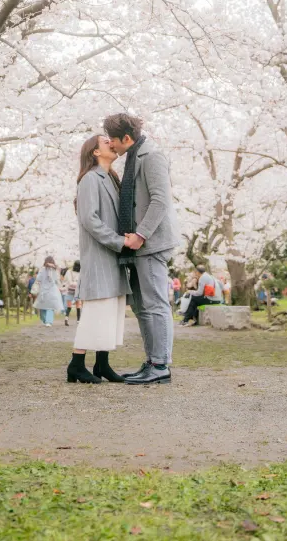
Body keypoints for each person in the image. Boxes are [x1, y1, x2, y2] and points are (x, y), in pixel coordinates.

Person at [103, 113, 180, 385]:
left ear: (127, 138)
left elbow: (160, 200)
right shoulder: (133, 158)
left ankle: (161, 365)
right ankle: (152, 361)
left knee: (156, 303)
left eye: (113, 140)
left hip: (150, 243)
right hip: (135, 247)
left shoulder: (152, 157)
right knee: (142, 307)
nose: (110, 145)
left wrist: (140, 234)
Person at [67, 135, 131, 384]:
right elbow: (90, 219)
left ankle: (102, 364)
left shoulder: (112, 179)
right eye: (106, 142)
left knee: (111, 309)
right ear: (95, 152)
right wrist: (120, 241)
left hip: (113, 254)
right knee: (97, 309)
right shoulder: (90, 180)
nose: (112, 144)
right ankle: (76, 364)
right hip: (100, 253)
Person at [33, 257, 63, 327]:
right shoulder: (55, 270)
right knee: (50, 306)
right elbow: (57, 279)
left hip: (43, 290)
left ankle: (45, 320)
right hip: (53, 290)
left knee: (43, 306)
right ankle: (48, 321)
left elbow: (38, 279)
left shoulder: (42, 269)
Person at [63, 260, 81, 327]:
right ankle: (78, 321)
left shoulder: (69, 272)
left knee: (69, 306)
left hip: (69, 290)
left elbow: (66, 280)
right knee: (78, 305)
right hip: (78, 291)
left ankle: (66, 319)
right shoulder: (81, 273)